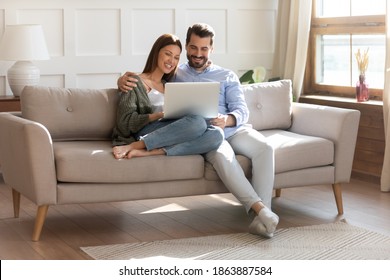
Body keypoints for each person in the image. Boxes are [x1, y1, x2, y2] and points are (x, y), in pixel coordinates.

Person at [117, 24, 279, 238]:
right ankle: (263, 213)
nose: (198, 54)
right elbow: (147, 84)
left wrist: (227, 119)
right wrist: (122, 80)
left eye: (204, 49)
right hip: (206, 134)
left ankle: (264, 217)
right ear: (187, 47)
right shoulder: (176, 73)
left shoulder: (226, 75)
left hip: (230, 128)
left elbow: (242, 111)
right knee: (220, 153)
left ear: (211, 49)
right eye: (194, 48)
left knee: (265, 148)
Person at [112, 33, 223, 159]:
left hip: (170, 130)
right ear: (156, 53)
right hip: (146, 131)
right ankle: (135, 145)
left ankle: (155, 151)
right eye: (168, 54)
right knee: (197, 123)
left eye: (176, 57)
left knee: (217, 134)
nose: (171, 61)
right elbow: (124, 124)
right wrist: (158, 115)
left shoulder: (170, 85)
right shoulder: (133, 81)